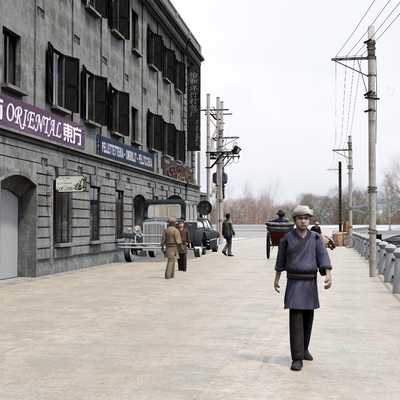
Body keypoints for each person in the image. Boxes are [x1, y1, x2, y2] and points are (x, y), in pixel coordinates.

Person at [273, 205, 332, 372]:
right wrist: (277, 278)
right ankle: (297, 357)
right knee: (296, 320)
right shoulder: (286, 239)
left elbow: (323, 257)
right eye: (300, 218)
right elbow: (280, 261)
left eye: (306, 218)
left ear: (310, 220)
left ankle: (305, 349)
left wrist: (328, 274)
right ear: (295, 220)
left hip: (310, 283)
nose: (303, 221)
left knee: (308, 318)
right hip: (294, 283)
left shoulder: (315, 238)